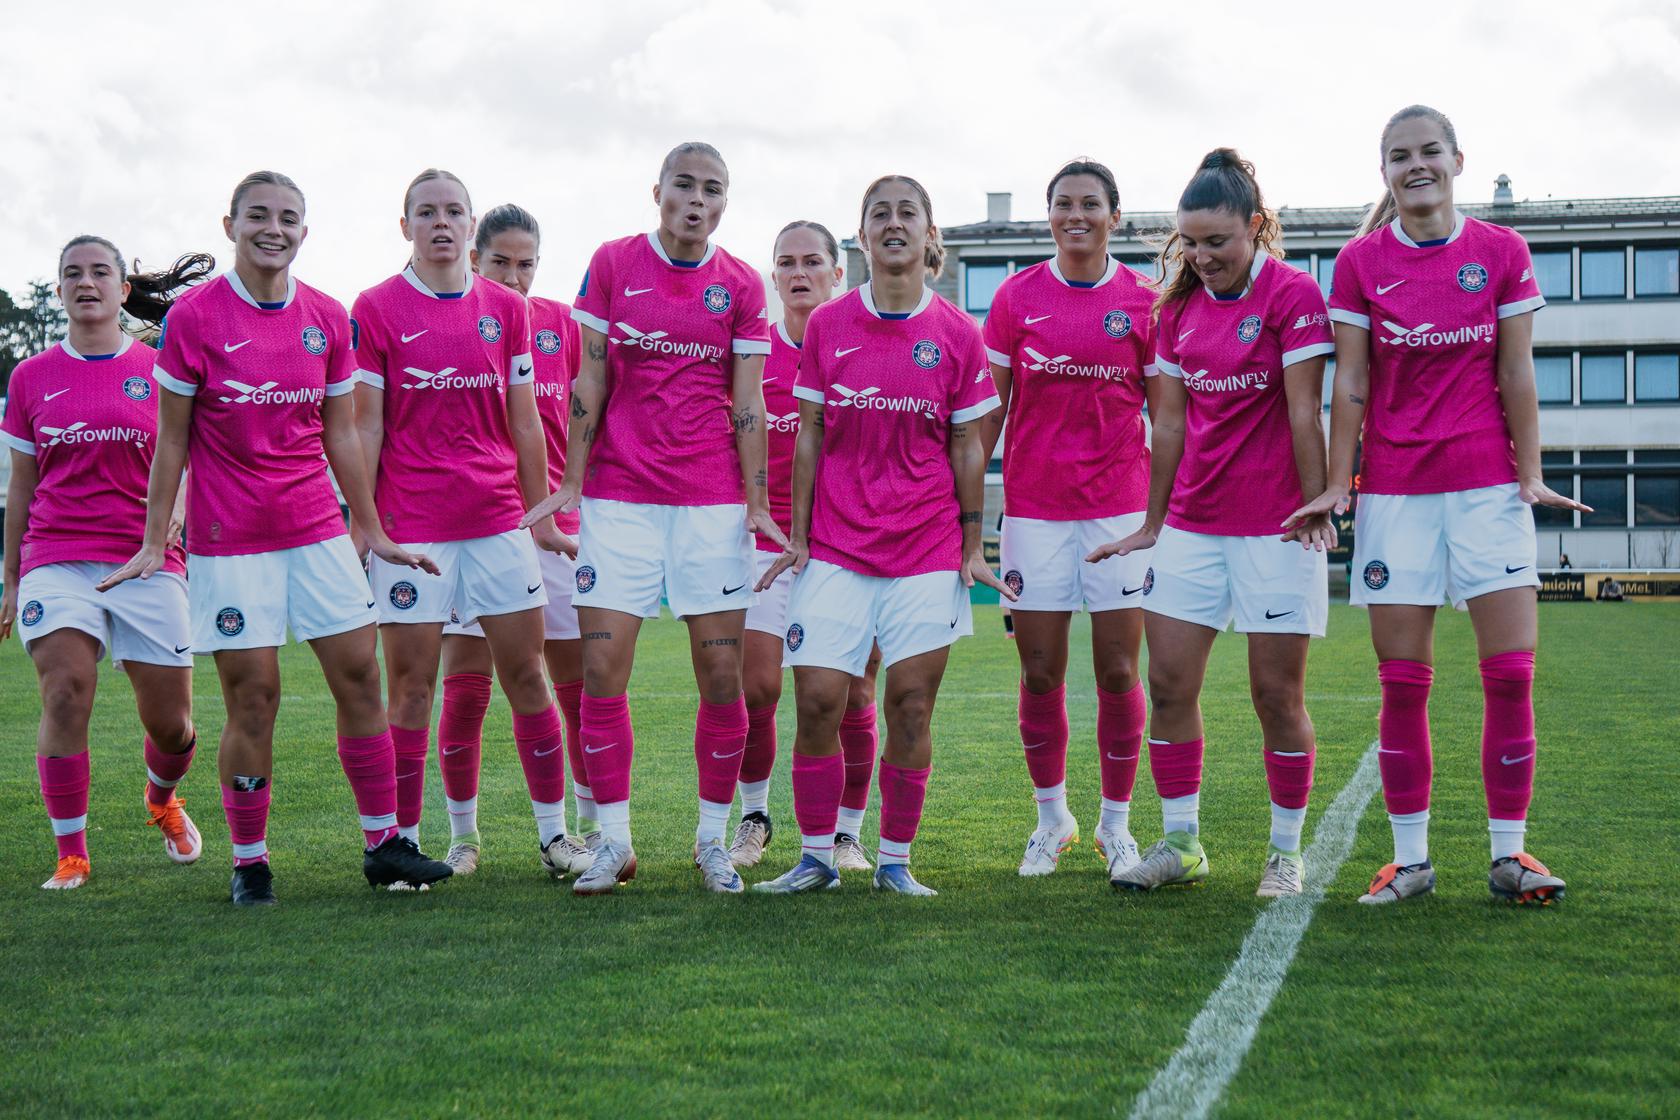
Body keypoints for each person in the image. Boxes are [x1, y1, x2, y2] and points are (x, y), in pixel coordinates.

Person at [99, 171, 452, 905]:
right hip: (231, 543)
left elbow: (342, 434)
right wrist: (151, 539)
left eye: (288, 217)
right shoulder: (193, 318)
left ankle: (384, 844)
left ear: (304, 230)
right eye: (258, 215)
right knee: (253, 697)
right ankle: (251, 861)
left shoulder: (324, 315)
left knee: (360, 676)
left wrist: (372, 527)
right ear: (230, 224)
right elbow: (171, 441)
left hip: (316, 531)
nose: (274, 228)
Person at [1288, 105, 1583, 905]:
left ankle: (1511, 857)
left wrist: (1530, 474)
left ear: (1457, 159)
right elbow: (1350, 383)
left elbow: (1517, 372)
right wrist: (1340, 484)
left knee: (1511, 677)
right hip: (1396, 496)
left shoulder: (1501, 251)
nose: (1415, 165)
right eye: (1398, 156)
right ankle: (1411, 862)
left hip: (1489, 489)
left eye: (1428, 152)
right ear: (1382, 172)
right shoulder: (1357, 263)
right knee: (1403, 682)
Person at [519, 142, 781, 895]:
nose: (698, 200)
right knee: (602, 671)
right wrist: (571, 478)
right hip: (621, 501)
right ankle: (615, 843)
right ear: (658, 191)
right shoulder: (612, 263)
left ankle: (710, 842)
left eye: (714, 190)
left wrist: (757, 502)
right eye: (685, 186)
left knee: (722, 674)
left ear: (725, 202)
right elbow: (589, 374)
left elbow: (750, 401)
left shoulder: (740, 285)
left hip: (712, 505)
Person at [752, 174, 1011, 896]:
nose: (893, 223)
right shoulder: (831, 325)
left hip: (925, 550)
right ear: (860, 237)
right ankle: (815, 858)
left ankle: (894, 860)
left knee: (911, 705)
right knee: (820, 701)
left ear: (931, 235)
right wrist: (800, 537)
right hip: (836, 546)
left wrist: (970, 543)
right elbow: (808, 435)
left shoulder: (959, 333)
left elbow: (968, 446)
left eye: (908, 213)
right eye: (879, 214)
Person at [1095, 149, 1336, 898]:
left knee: (1276, 696)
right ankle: (1181, 843)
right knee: (1168, 685)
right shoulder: (1175, 311)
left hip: (1276, 527)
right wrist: (1151, 524)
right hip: (1193, 527)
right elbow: (1167, 428)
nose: (1201, 258)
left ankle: (1284, 854)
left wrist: (1319, 496)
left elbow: (1304, 408)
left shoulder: (1294, 296)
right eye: (1190, 244)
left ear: (1257, 228)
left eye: (1217, 243)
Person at [352, 171, 578, 885]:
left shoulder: (505, 312)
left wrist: (538, 515)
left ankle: (554, 837)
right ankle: (404, 846)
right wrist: (366, 526)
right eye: (427, 212)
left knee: (527, 678)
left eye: (453, 210)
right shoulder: (377, 307)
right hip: (413, 532)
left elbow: (523, 419)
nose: (440, 222)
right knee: (414, 689)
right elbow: (367, 424)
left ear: (468, 222)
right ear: (406, 225)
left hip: (496, 523)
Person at [2, 239, 211, 890]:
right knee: (64, 692)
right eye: (72, 274)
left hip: (147, 557)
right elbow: (21, 489)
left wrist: (173, 517)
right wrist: (11, 581)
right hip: (56, 558)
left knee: (173, 727)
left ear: (124, 290)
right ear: (61, 292)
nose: (85, 282)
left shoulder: (159, 368)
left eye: (100, 273)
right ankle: (72, 854)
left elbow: (186, 458)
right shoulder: (29, 377)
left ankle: (162, 801)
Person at [978, 158, 1159, 881]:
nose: (1074, 214)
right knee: (1041, 672)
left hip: (1119, 510)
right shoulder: (1015, 298)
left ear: (1115, 215)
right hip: (1034, 512)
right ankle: (1053, 819)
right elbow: (986, 418)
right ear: (1047, 215)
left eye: (1090, 204)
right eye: (1062, 204)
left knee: (1119, 671)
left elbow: (1167, 415)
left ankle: (1117, 824)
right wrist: (961, 514)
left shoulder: (1146, 300)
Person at [427, 203, 592, 876]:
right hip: (477, 524)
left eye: (527, 264)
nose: (516, 278)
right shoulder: (451, 324)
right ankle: (462, 838)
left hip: (555, 534)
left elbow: (588, 418)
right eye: (501, 262)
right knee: (466, 690)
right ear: (473, 258)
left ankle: (579, 831)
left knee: (571, 690)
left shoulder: (563, 327)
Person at [729, 220, 881, 872]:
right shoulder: (753, 352)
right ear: (773, 274)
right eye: (786, 261)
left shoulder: (863, 346)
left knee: (855, 693)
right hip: (766, 546)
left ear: (836, 272)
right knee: (757, 688)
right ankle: (756, 816)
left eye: (812, 261)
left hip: (846, 547)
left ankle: (847, 832)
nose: (799, 272)